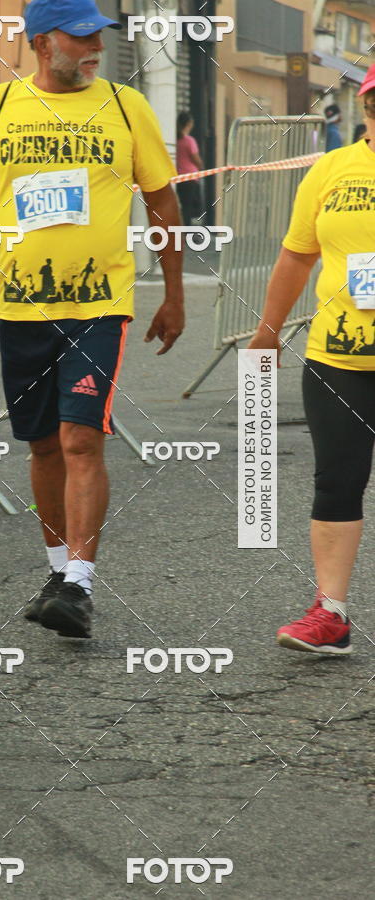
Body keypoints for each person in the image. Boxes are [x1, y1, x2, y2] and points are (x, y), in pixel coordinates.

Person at [0, 0, 185, 639]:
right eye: (81, 37)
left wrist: (174, 295)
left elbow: (164, 203)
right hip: (21, 304)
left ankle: (80, 585)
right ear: (41, 41)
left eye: (100, 37)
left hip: (100, 304)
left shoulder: (126, 107)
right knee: (40, 445)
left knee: (80, 439)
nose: (95, 48)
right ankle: (60, 571)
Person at [249, 64, 375, 654]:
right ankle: (331, 613)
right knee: (337, 484)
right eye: (374, 104)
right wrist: (267, 332)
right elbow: (297, 256)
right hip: (339, 356)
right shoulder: (331, 169)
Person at [176, 111, 204, 225]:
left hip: (178, 177)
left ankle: (183, 230)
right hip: (191, 178)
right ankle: (190, 232)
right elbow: (196, 159)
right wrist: (201, 167)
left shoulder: (176, 140)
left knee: (183, 206)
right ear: (188, 124)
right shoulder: (189, 141)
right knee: (192, 208)